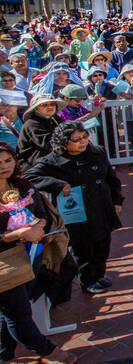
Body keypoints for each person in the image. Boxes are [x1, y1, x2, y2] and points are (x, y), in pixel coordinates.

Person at [26, 121, 123, 295]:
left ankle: (99, 274)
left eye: (84, 136)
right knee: (83, 248)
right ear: (64, 143)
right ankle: (88, 280)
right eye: (76, 139)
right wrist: (56, 184)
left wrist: (117, 200)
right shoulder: (52, 161)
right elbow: (30, 176)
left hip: (101, 206)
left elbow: (111, 178)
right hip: (77, 211)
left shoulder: (98, 152)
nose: (83, 142)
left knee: (103, 244)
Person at [0, 143, 77, 364]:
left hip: (31, 255)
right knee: (19, 314)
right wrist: (17, 234)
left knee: (13, 310)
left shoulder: (22, 186)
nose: (4, 166)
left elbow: (41, 213)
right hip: (5, 261)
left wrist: (38, 225)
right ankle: (50, 352)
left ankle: (4, 354)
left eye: (7, 160)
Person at [17, 95, 65, 172]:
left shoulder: (54, 119)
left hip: (53, 161)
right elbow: (48, 144)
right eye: (44, 105)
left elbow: (68, 130)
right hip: (34, 167)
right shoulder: (32, 123)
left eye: (52, 104)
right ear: (36, 109)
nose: (49, 107)